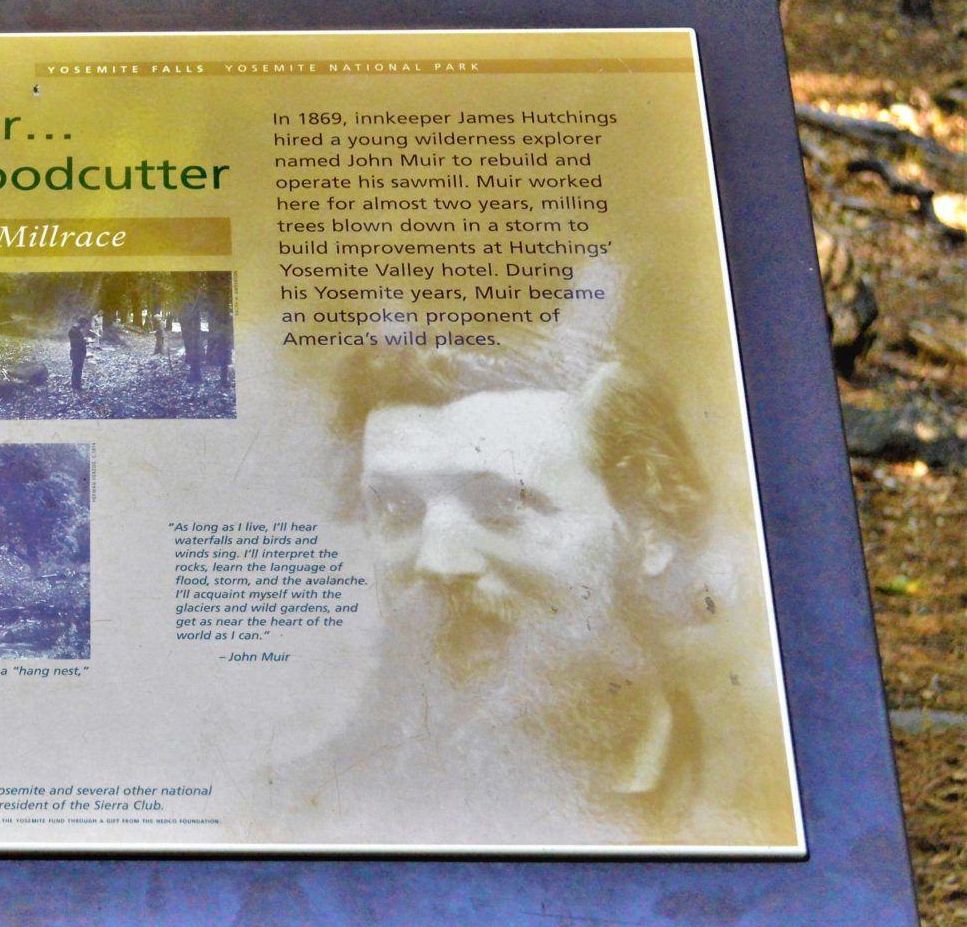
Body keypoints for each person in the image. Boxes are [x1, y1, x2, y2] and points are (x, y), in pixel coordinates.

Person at [325, 332, 793, 845]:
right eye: (396, 508)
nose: (437, 561)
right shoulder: (309, 809)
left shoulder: (768, 797)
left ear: (649, 527)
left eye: (502, 505)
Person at [69, 317, 89, 391]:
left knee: (78, 370)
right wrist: (84, 341)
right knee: (76, 370)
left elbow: (78, 341)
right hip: (76, 353)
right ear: (81, 323)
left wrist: (83, 341)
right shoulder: (73, 331)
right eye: (84, 324)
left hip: (78, 353)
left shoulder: (76, 330)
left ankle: (76, 385)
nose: (85, 326)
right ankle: (76, 386)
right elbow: (76, 342)